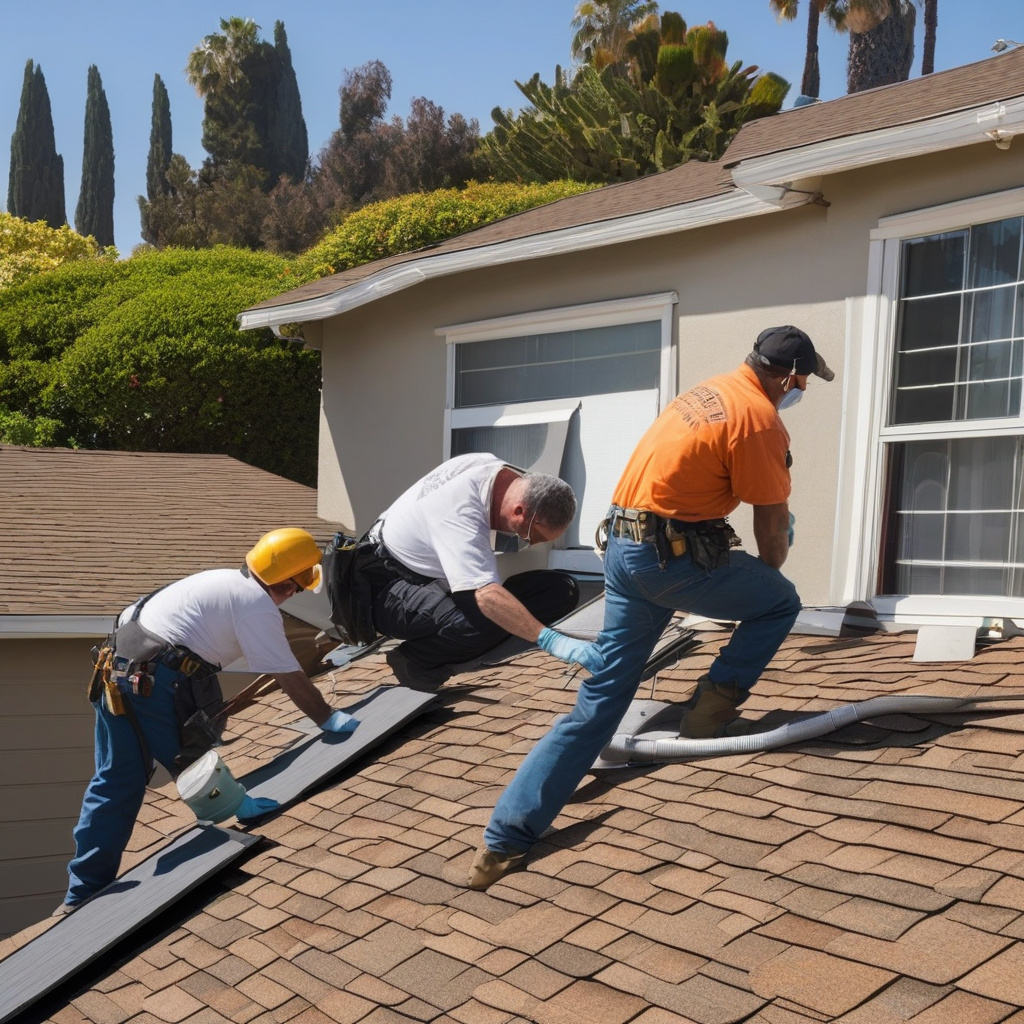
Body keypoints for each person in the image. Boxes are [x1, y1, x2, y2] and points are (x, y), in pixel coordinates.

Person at [467, 326, 834, 889]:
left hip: (622, 551)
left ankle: (504, 842)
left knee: (597, 710)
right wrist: (766, 574)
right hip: (667, 562)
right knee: (779, 603)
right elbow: (771, 529)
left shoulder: (707, 393)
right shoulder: (759, 420)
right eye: (803, 380)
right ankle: (709, 714)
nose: (801, 388)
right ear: (787, 376)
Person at [58, 528, 357, 913]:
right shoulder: (255, 603)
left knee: (116, 779)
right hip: (151, 679)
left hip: (116, 670)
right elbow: (288, 674)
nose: (293, 596)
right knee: (194, 763)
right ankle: (236, 804)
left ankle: (82, 890)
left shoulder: (221, 579)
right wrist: (328, 718)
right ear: (285, 581)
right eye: (295, 588)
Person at [360, 453, 602, 688]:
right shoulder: (461, 515)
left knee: (559, 591)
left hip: (424, 576)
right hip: (386, 590)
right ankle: (417, 661)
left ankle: (469, 641)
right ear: (519, 511)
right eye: (533, 536)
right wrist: (549, 639)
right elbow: (484, 595)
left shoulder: (494, 471)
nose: (532, 542)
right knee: (482, 619)